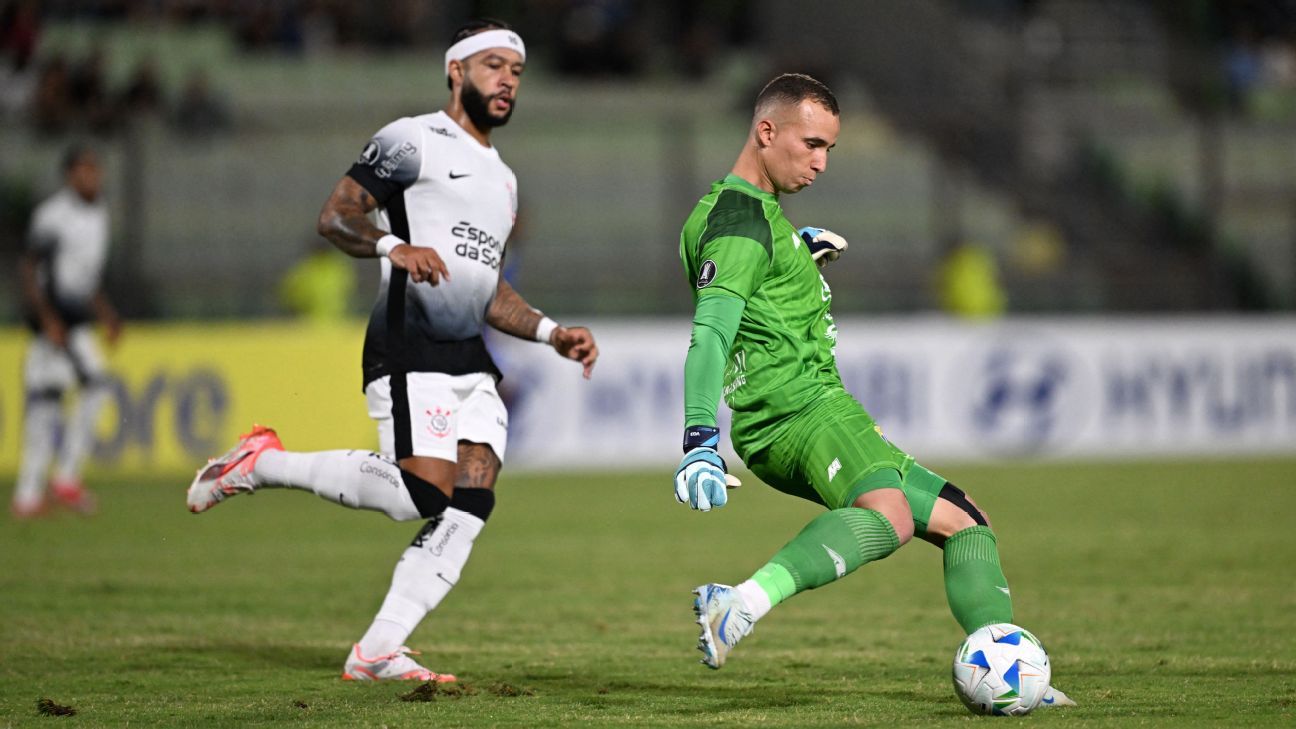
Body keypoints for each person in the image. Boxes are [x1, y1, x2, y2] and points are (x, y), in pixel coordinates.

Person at [185, 19, 598, 682]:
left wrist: (553, 333)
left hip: (469, 355)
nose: (506, 81)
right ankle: (262, 462)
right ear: (455, 71)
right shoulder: (411, 139)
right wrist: (389, 245)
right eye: (492, 65)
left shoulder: (504, 181)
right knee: (420, 493)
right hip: (410, 344)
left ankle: (378, 648)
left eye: (516, 71)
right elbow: (336, 215)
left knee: (473, 494)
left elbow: (486, 289)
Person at [673, 73, 1074, 707]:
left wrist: (797, 260)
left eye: (829, 148)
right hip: (801, 411)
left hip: (808, 411)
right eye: (811, 144)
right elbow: (710, 335)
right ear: (766, 131)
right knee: (889, 515)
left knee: (965, 523)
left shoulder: (737, 216)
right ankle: (739, 604)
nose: (821, 162)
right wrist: (699, 437)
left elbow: (743, 292)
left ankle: (1012, 676)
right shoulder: (743, 223)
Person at [12, 145, 120, 518]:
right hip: (54, 324)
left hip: (77, 321)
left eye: (96, 169)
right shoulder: (52, 216)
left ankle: (53, 485)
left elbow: (84, 275)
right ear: (69, 175)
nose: (93, 177)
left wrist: (105, 312)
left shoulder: (99, 212)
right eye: (85, 170)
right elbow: (29, 269)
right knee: (48, 403)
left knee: (74, 395)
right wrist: (46, 320)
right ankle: (40, 490)